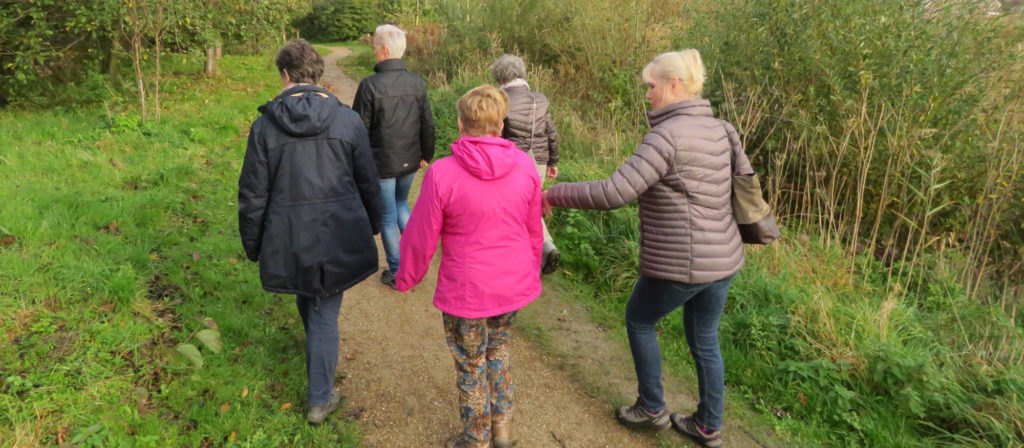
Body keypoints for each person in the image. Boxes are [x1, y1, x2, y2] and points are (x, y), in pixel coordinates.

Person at [543, 49, 746, 448]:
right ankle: (707, 425)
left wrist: (555, 194)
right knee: (705, 338)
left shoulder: (666, 136)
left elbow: (615, 192)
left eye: (651, 86)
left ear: (674, 85)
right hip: (724, 257)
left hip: (682, 263)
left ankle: (652, 408)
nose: (648, 94)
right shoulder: (722, 128)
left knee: (639, 319)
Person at [238, 39, 381, 425]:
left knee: (316, 303)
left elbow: (252, 194)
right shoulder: (347, 120)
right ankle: (320, 399)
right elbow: (369, 182)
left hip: (290, 236)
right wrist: (372, 226)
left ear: (285, 76)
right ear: (316, 74)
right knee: (322, 307)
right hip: (336, 234)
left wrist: (254, 244)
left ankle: (319, 390)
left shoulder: (265, 127)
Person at [396, 85, 543, 448]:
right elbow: (533, 228)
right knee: (499, 349)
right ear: (501, 124)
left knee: (471, 361)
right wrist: (531, 270)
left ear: (461, 123)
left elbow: (420, 235)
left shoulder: (442, 173)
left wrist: (407, 277)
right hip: (510, 285)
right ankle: (503, 431)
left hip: (468, 291)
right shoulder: (525, 165)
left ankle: (476, 438)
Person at [352, 24, 436, 289]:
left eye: (375, 46)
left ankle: (398, 270)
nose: (374, 51)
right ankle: (415, 262)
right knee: (401, 205)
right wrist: (427, 153)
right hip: (410, 159)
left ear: (385, 49)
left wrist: (357, 162)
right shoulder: (417, 82)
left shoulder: (369, 85)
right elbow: (427, 123)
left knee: (388, 215)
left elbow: (357, 128)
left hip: (382, 164)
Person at [490, 54, 562, 275]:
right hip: (538, 162)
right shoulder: (539, 99)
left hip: (512, 162)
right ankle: (546, 247)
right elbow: (550, 132)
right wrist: (552, 161)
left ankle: (516, 257)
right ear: (521, 73)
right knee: (532, 208)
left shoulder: (499, 99)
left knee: (510, 211)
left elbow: (497, 136)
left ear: (500, 77)